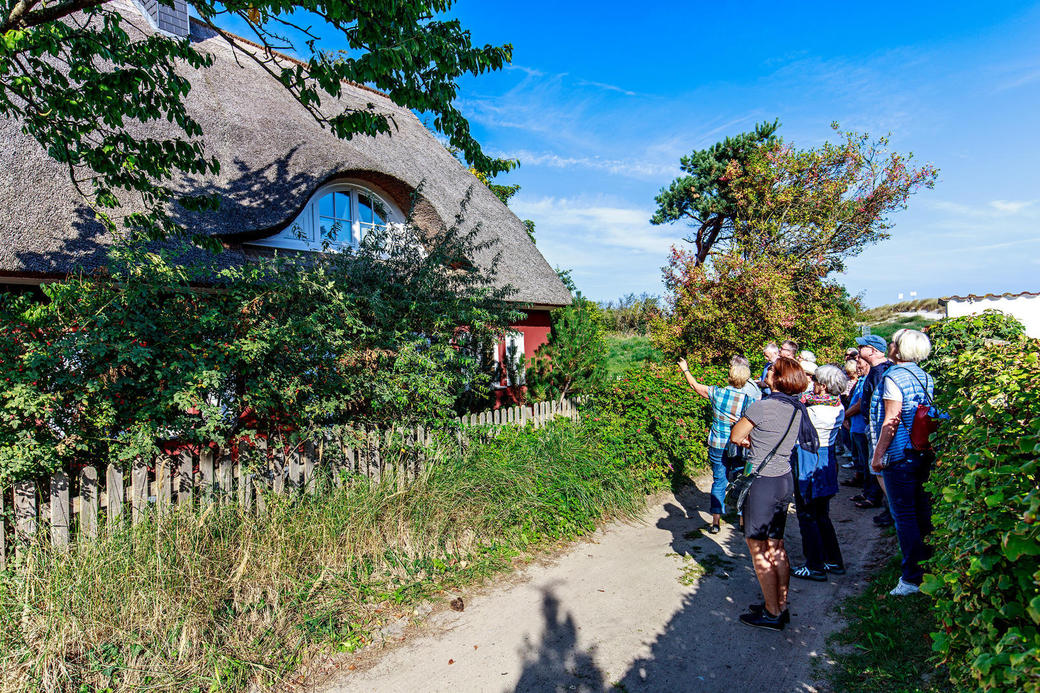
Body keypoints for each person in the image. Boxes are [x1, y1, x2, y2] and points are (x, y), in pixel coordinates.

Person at [729, 357, 819, 631]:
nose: (767, 373)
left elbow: (736, 436)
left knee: (758, 549)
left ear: (777, 378)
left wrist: (749, 437)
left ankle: (771, 612)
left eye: (771, 371)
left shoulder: (762, 407)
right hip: (783, 479)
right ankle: (780, 603)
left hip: (762, 482)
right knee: (777, 546)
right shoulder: (796, 409)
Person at [870, 329, 936, 596]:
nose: (890, 345)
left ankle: (911, 578)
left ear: (900, 348)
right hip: (922, 451)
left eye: (894, 342)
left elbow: (891, 420)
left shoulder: (894, 377)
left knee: (904, 516)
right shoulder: (925, 376)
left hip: (900, 455)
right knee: (922, 512)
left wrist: (878, 456)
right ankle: (928, 567)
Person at [677, 357, 751, 533]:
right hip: (739, 445)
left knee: (719, 480)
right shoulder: (748, 400)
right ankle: (742, 520)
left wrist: (685, 369)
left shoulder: (717, 393)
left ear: (729, 376)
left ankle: (716, 522)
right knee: (741, 480)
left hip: (718, 443)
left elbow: (695, 386)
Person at [792, 364, 848, 581]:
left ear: (823, 386)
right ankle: (833, 560)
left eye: (815, 381)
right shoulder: (837, 407)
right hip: (827, 462)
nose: (812, 385)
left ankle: (814, 565)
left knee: (807, 515)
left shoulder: (814, 411)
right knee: (822, 514)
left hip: (810, 460)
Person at [847, 335, 892, 515]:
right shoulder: (876, 371)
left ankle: (889, 511)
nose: (858, 350)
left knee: (878, 469)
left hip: (878, 427)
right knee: (872, 467)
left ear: (873, 350)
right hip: (871, 426)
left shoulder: (881, 372)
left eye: (862, 346)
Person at [841, 358, 869, 483]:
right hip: (855, 425)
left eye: (859, 363)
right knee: (857, 456)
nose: (857, 367)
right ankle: (859, 481)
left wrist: (845, 416)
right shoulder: (861, 380)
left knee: (864, 458)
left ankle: (868, 492)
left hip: (861, 426)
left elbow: (859, 404)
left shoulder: (865, 381)